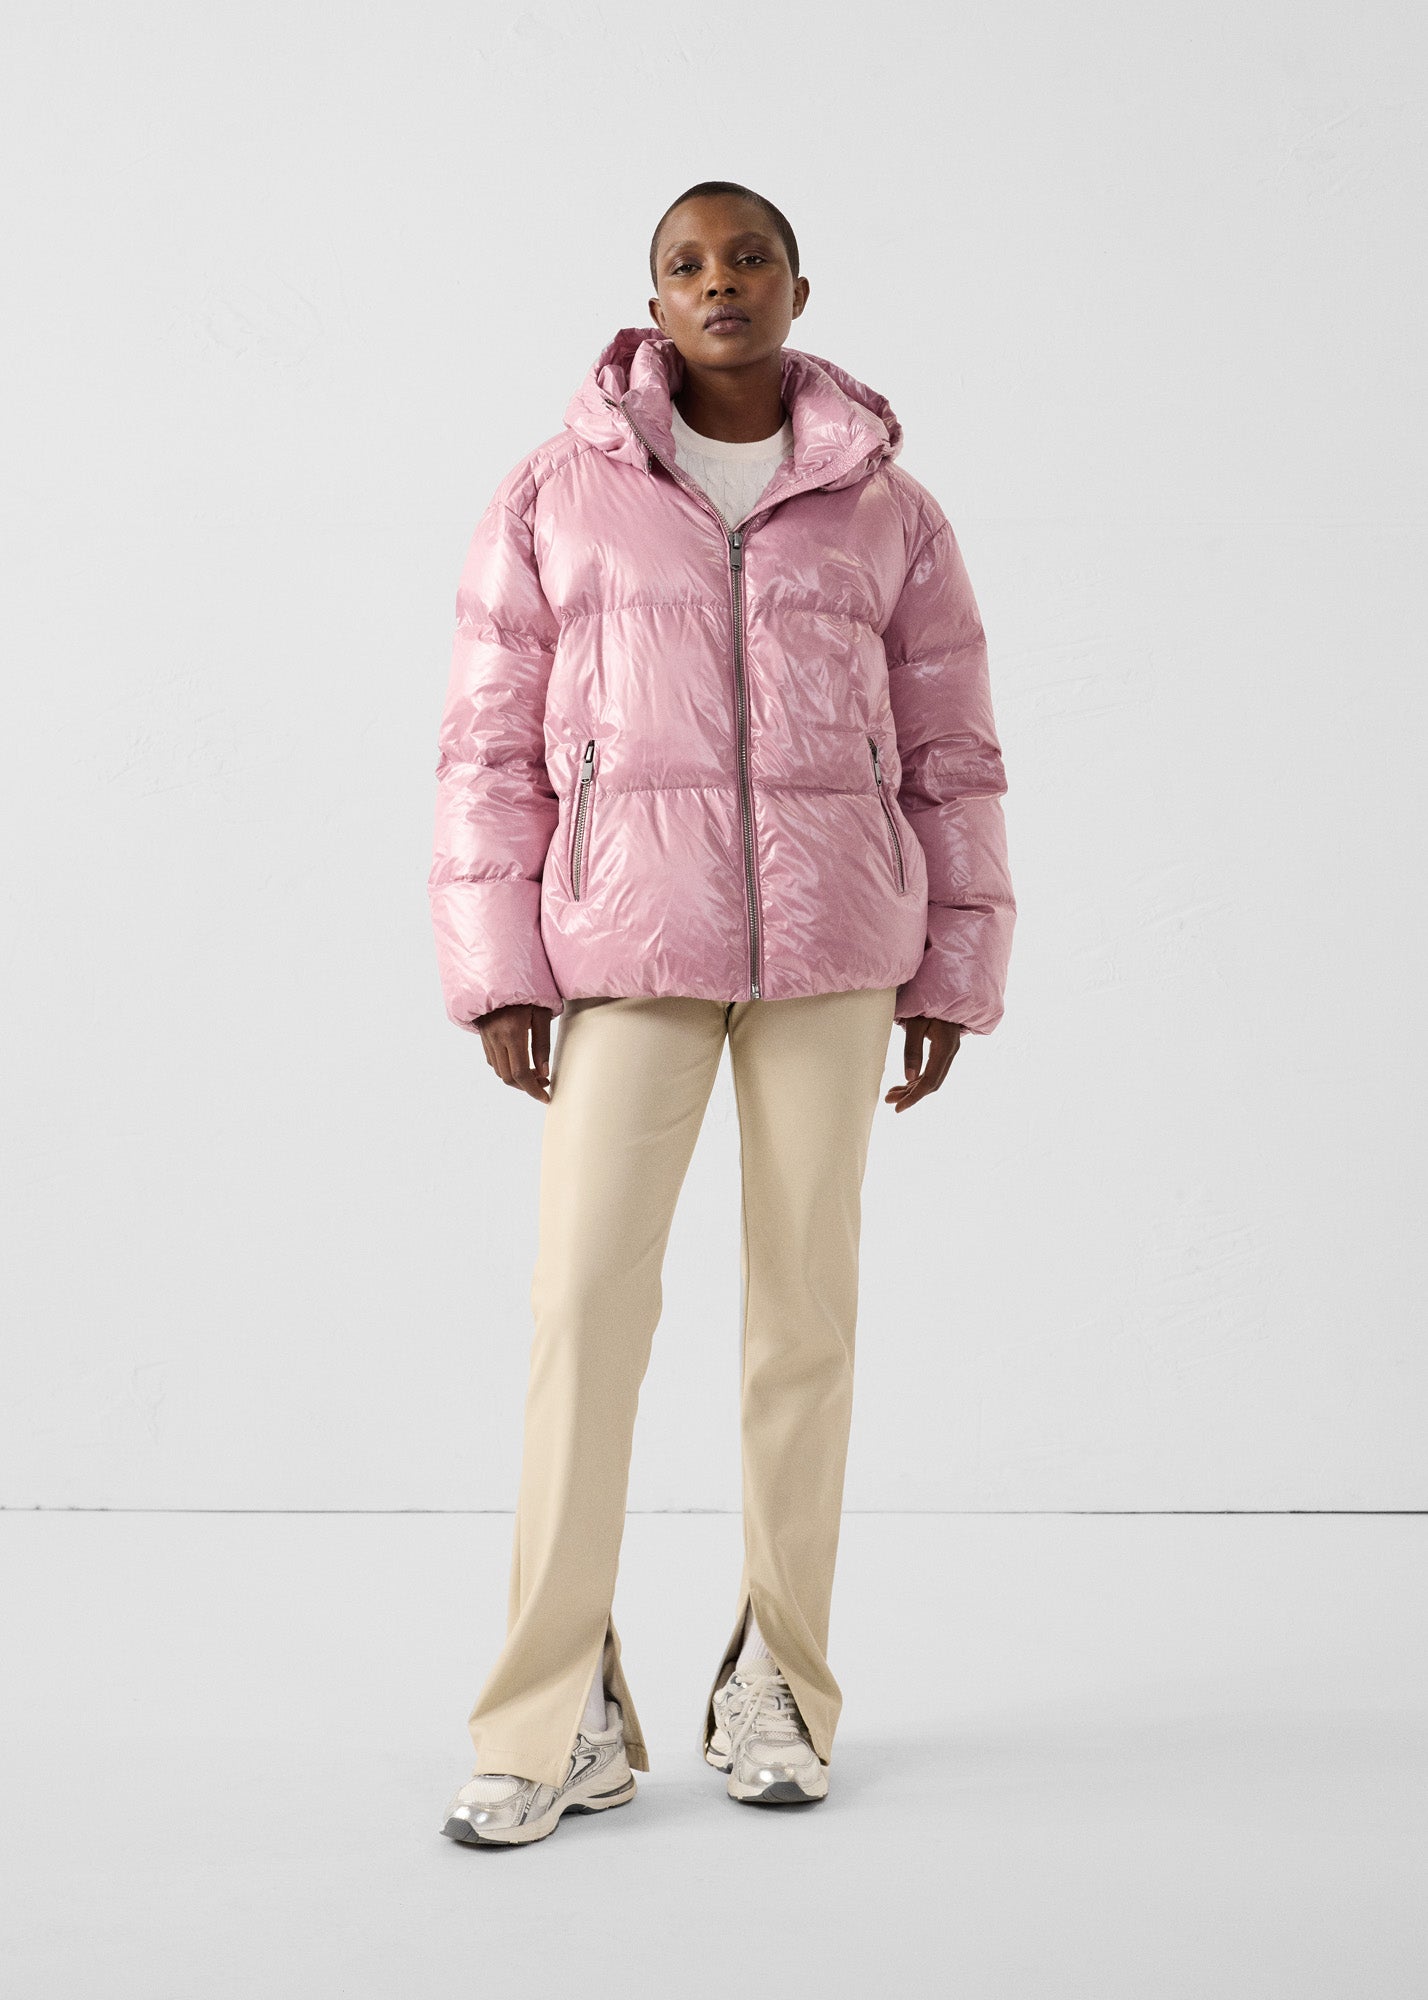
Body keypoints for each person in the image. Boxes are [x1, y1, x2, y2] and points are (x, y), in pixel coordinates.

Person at [429, 181, 1016, 1848]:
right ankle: (551, 1714)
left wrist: (955, 964)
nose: (721, 283)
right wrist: (501, 964)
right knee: (583, 1313)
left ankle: (785, 1685)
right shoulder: (559, 492)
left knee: (802, 1323)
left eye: (749, 257)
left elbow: (956, 744)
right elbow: (487, 742)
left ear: (798, 287)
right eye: (687, 264)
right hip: (628, 945)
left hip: (838, 954)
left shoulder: (889, 508)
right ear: (654, 304)